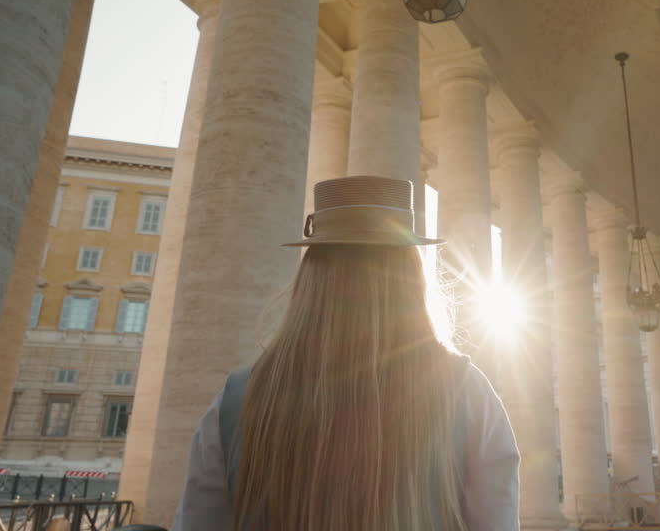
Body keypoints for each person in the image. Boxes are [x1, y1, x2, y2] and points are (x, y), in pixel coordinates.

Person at [171, 176, 520, 530]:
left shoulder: (237, 398)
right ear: (413, 278)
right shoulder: (469, 392)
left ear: (309, 278)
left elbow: (197, 521)